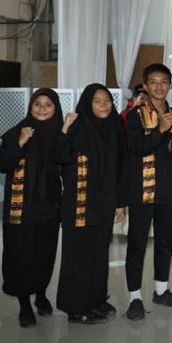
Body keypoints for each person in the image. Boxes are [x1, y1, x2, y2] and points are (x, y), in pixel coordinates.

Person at [51, 84, 127, 324]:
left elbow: (121, 167)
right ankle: (76, 307)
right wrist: (64, 129)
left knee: (98, 253)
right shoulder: (76, 127)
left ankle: (95, 299)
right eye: (97, 101)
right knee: (78, 255)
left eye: (107, 100)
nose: (104, 105)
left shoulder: (114, 127)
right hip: (80, 202)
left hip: (104, 201)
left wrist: (119, 202)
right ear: (87, 104)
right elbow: (58, 156)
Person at [0, 88, 63, 327]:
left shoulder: (60, 134)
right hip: (20, 208)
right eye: (37, 104)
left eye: (48, 104)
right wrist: (20, 143)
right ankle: (24, 304)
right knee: (20, 256)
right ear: (30, 107)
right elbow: (2, 164)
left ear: (56, 108)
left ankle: (41, 295)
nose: (42, 109)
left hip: (48, 207)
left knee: (44, 255)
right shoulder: (17, 132)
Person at [123, 64, 172, 321]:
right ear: (145, 86)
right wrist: (160, 129)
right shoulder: (134, 116)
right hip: (141, 190)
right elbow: (136, 148)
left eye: (164, 81)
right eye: (153, 82)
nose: (159, 86)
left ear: (170, 85)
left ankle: (161, 290)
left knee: (164, 243)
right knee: (137, 244)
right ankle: (134, 298)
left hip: (168, 191)